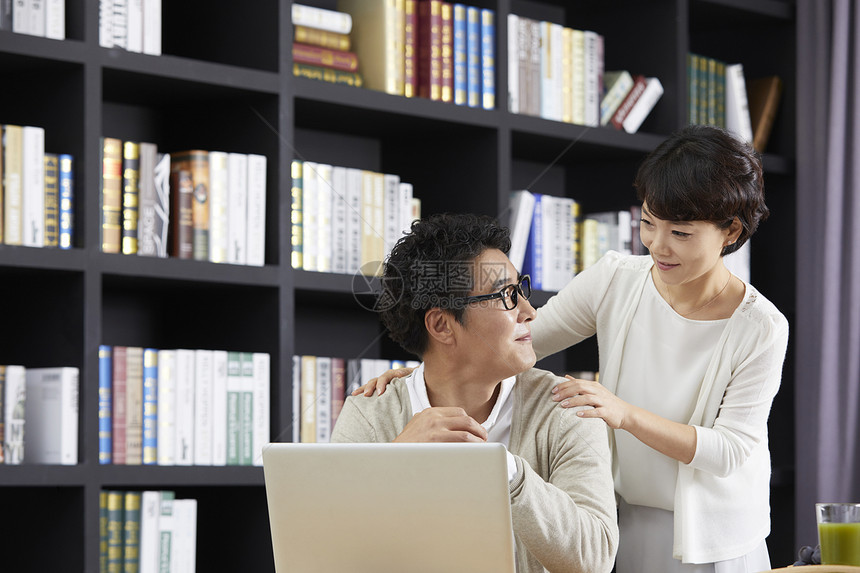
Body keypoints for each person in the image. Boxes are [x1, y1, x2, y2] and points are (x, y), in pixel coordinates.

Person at [354, 125, 790, 572]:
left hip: (715, 538)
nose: (658, 245)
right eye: (648, 223)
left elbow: (732, 450)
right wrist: (418, 374)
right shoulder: (617, 279)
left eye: (680, 233)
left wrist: (625, 415)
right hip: (632, 519)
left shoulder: (761, 327)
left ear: (730, 230)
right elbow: (518, 338)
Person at [331, 212, 619, 573]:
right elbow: (332, 553)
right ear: (441, 325)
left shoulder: (567, 406)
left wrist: (507, 471)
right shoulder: (372, 411)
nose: (529, 311)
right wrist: (396, 464)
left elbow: (595, 558)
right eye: (506, 295)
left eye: (521, 290)